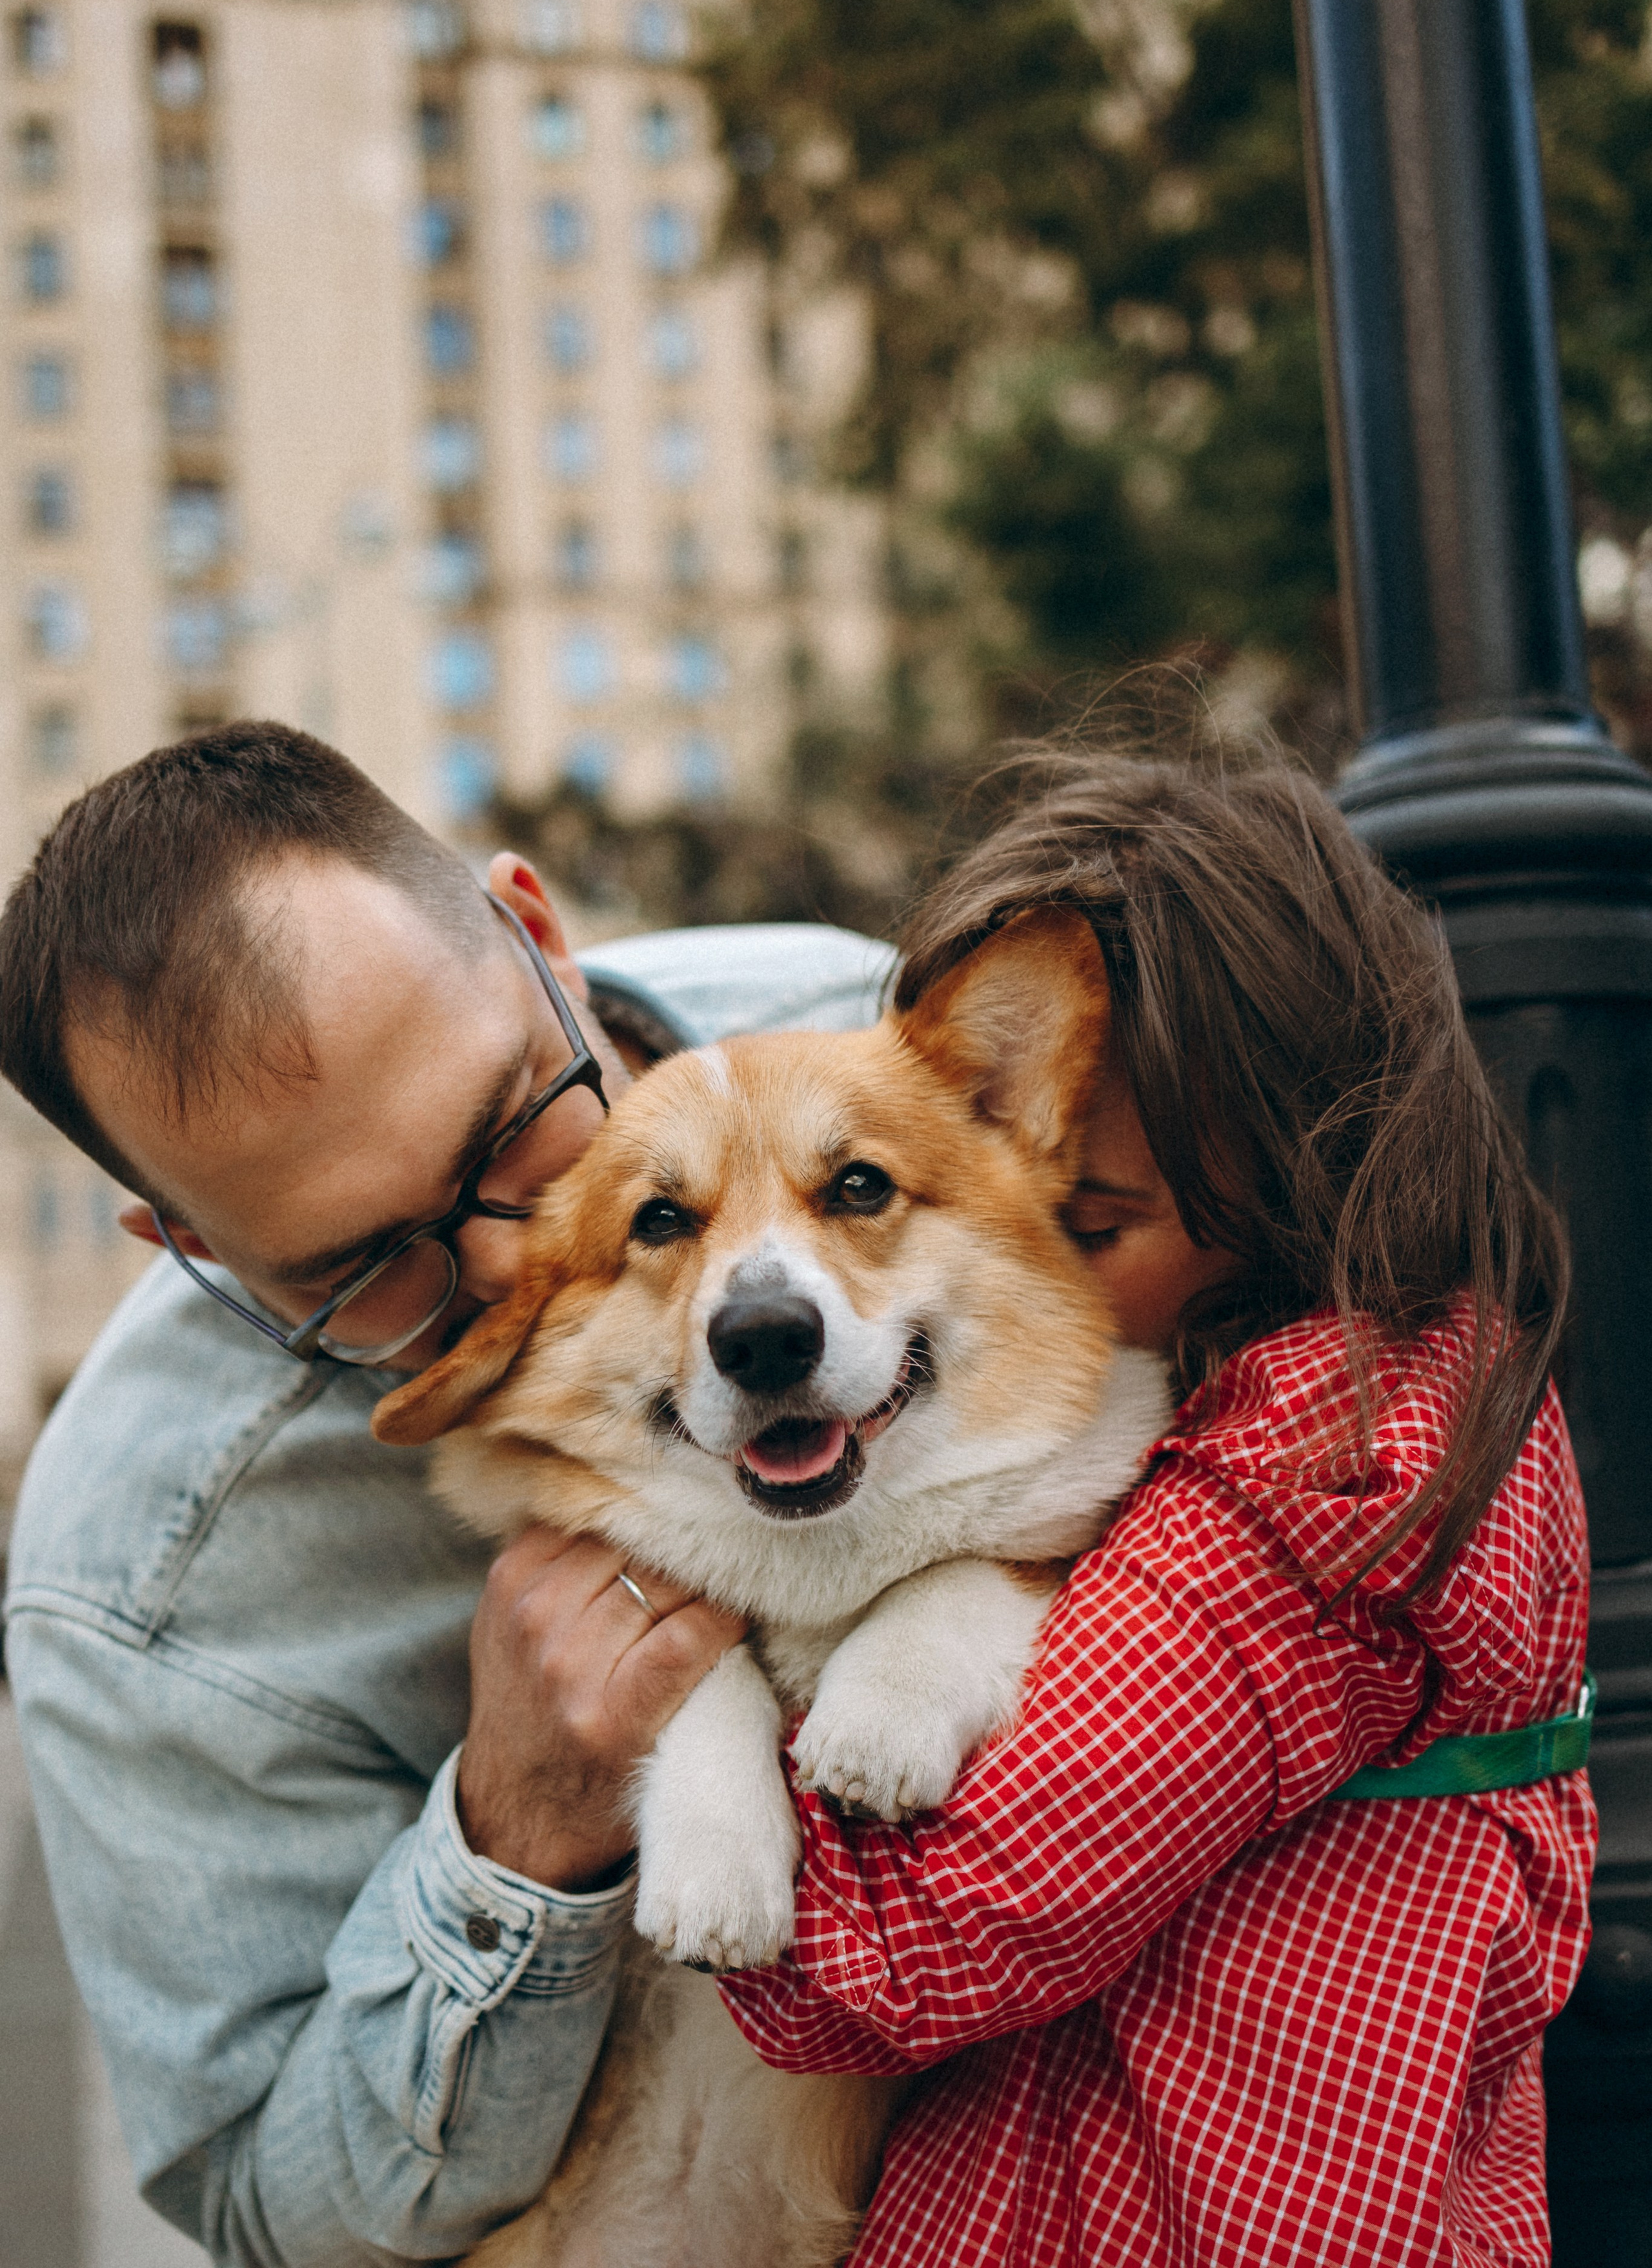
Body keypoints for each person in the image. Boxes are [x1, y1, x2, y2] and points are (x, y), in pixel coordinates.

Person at [0, 720, 895, 2265]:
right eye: (365, 1262)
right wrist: (518, 1829)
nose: (506, 1264)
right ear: (200, 1251)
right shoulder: (128, 1592)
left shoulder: (859, 1027)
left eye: (512, 1131)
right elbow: (265, 2210)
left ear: (536, 934)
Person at [719, 752, 1595, 2268]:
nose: (1002, 1279)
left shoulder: (1312, 1482)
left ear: (1290, 1172)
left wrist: (673, 1723)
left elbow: (911, 1944)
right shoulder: (1406, 1387)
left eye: (1079, 1223)